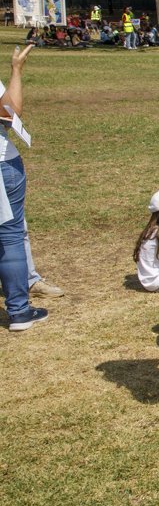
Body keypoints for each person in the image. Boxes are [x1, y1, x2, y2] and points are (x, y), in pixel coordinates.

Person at [1, 44, 51, 331]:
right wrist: (16, 70)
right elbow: (10, 113)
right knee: (10, 237)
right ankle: (19, 311)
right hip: (2, 163)